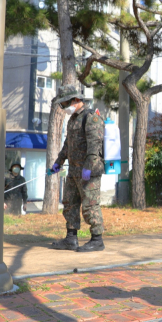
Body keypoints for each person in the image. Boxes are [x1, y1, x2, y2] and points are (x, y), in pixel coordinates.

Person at [50, 84, 105, 252]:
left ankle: (97, 239)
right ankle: (71, 238)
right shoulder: (73, 119)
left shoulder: (91, 117)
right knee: (70, 203)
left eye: (65, 103)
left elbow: (94, 146)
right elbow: (68, 144)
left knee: (90, 205)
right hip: (74, 170)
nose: (64, 107)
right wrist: (58, 162)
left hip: (89, 172)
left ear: (76, 99)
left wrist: (88, 168)